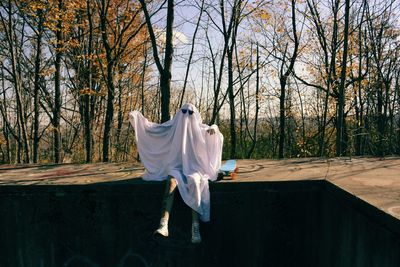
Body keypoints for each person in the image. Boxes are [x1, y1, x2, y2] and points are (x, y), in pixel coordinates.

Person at [129, 103, 223, 243]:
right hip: (177, 167)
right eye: (183, 112)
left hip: (194, 169)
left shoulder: (199, 128)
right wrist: (137, 118)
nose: (186, 116)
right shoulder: (174, 127)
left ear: (195, 115)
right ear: (179, 114)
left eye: (190, 113)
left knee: (195, 182)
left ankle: (195, 227)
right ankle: (164, 223)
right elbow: (154, 129)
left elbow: (212, 131)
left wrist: (214, 129)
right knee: (171, 181)